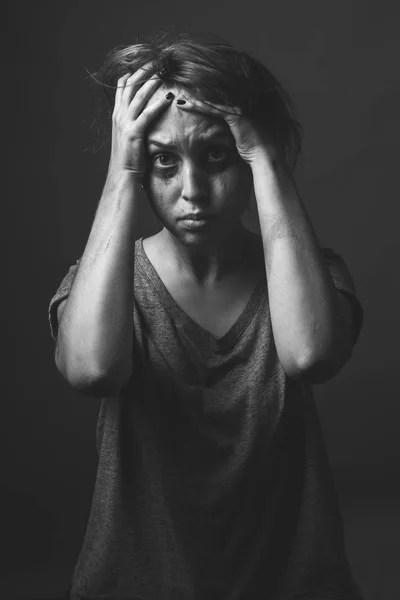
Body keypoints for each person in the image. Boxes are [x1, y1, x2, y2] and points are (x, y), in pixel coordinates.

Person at [48, 32, 365, 600]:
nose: (191, 190)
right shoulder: (104, 282)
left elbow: (310, 353)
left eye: (216, 156)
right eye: (163, 162)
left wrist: (267, 157)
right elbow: (92, 369)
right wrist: (121, 170)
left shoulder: (311, 274)